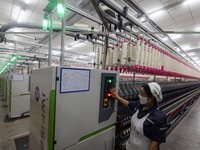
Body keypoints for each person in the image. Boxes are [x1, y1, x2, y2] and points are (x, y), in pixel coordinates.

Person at [110, 82, 167, 150]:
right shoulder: (140, 105)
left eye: (142, 93)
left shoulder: (159, 117)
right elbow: (129, 104)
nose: (139, 95)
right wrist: (117, 97)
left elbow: (155, 144)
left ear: (151, 97)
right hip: (129, 147)